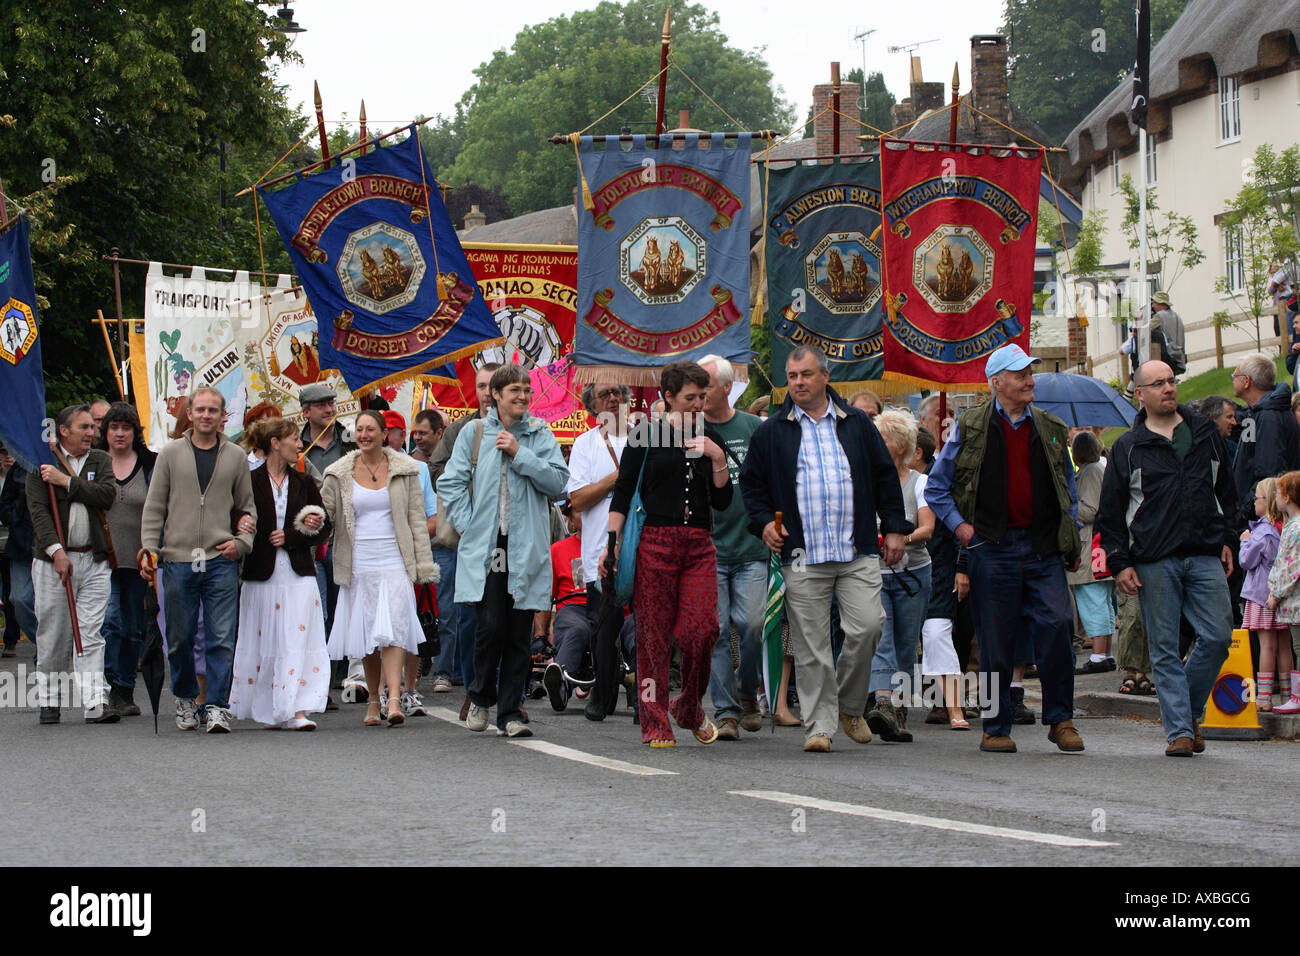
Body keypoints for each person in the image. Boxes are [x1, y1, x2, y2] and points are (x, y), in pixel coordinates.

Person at [740, 346, 907, 753]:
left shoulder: (856, 425)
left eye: (806, 374)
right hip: (801, 556)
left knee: (868, 627)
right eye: (792, 375)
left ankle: (850, 707)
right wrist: (763, 524)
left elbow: (886, 477)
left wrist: (897, 530)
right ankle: (819, 724)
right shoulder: (772, 430)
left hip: (857, 550)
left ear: (825, 376)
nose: (798, 382)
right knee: (812, 646)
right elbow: (752, 486)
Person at [927, 343, 1084, 755]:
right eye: (1020, 375)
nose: (1029, 380)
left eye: (1029, 373)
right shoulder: (970, 426)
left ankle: (1060, 719)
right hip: (991, 548)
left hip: (1042, 547)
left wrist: (1071, 532)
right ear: (997, 383)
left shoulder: (1049, 426)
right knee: (995, 641)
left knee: (1058, 626)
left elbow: (1066, 485)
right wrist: (962, 530)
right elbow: (936, 487)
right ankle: (996, 727)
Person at [1097, 360, 1236, 756]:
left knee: (1217, 637)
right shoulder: (1128, 446)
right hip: (1153, 559)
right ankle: (1179, 732)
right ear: (1140, 394)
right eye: (1157, 384)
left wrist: (1227, 538)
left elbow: (1226, 490)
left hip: (1204, 551)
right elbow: (1111, 513)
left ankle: (1187, 710)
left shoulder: (1205, 432)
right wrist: (1120, 562)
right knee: (1163, 647)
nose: (1168, 389)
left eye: (1171, 381)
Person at [603, 360, 731, 747]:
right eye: (689, 398)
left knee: (703, 631)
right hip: (655, 540)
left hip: (698, 545)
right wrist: (610, 547)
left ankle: (689, 705)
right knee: (653, 637)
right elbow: (623, 493)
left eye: (702, 397)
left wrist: (717, 458)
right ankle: (653, 720)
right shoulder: (645, 435)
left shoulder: (711, 436)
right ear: (668, 397)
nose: (697, 404)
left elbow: (723, 501)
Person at [439, 363, 568, 738]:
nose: (523, 397)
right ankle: (480, 697)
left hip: (525, 545)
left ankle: (510, 711)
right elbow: (451, 483)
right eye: (515, 391)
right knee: (490, 624)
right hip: (489, 547)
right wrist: (469, 526)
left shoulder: (539, 433)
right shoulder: (474, 433)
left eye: (527, 391)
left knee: (518, 630)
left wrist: (519, 453)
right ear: (495, 395)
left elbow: (558, 482)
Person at [139, 385, 256, 734]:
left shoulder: (235, 456)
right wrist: (149, 548)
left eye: (213, 410)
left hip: (221, 558)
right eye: (200, 409)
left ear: (224, 416)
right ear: (190, 414)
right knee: (180, 637)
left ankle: (218, 706)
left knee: (222, 637)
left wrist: (243, 542)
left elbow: (247, 508)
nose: (206, 415)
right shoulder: (170, 454)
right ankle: (186, 698)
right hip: (177, 558)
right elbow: (155, 506)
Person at [322, 410, 435, 727]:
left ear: (385, 434)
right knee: (368, 636)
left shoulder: (406, 470)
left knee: (395, 630)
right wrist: (311, 518)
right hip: (359, 562)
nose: (364, 434)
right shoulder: (340, 472)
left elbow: (416, 519)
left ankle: (395, 699)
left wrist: (423, 564)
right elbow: (325, 512)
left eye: (370, 428)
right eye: (359, 429)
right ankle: (374, 699)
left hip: (394, 559)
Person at [230, 419, 331, 730]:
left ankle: (298, 709)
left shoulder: (304, 482)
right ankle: (271, 709)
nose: (299, 445)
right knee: (266, 639)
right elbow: (232, 513)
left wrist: (295, 534)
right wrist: (240, 523)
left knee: (298, 636)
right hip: (261, 573)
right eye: (292, 439)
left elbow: (324, 526)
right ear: (274, 443)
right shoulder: (248, 481)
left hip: (298, 571)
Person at [27, 406, 117, 724]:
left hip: (94, 559)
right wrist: (56, 552)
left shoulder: (100, 460)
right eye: (84, 427)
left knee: (91, 632)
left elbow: (107, 495)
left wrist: (66, 482)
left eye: (93, 427)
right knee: (54, 633)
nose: (91, 433)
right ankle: (49, 699)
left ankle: (95, 701)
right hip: (54, 562)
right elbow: (39, 512)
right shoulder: (40, 462)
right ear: (64, 430)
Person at [697, 354, 769, 740]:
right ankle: (725, 712)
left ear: (727, 387)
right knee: (718, 629)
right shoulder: (689, 431)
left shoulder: (755, 427)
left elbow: (774, 479)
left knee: (752, 624)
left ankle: (748, 691)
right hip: (708, 550)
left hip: (752, 546)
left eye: (708, 384)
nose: (702, 392)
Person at [552, 380, 633, 711]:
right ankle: (601, 697)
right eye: (605, 394)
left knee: (640, 625)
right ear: (592, 405)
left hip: (639, 546)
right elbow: (580, 499)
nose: (613, 398)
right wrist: (618, 476)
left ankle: (642, 698)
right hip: (599, 549)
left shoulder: (646, 437)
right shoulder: (585, 444)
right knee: (602, 627)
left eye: (618, 392)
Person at [427, 363, 500, 718]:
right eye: (482, 386)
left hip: (506, 537)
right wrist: (469, 479)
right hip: (469, 537)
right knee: (470, 617)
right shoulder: (458, 430)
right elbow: (438, 471)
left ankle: (506, 694)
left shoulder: (521, 429)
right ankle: (475, 690)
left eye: (493, 385)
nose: (487, 392)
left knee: (508, 616)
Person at [865, 409, 934, 743]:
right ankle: (883, 702)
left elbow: (928, 527)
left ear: (901, 445)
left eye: (885, 437)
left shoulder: (920, 482)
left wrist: (900, 538)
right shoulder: (865, 480)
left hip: (914, 574)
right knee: (881, 637)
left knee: (907, 645)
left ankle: (900, 710)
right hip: (874, 574)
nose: (878, 443)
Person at [96, 402, 156, 717]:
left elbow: (160, 508)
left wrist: (153, 551)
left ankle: (124, 689)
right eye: (114, 428)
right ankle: (105, 688)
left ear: (135, 432)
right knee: (109, 622)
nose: (120, 433)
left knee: (134, 627)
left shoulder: (149, 464)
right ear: (104, 432)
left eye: (126, 428)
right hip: (101, 559)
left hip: (139, 559)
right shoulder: (93, 463)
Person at [1232, 352, 1300, 526]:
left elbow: (1269, 470)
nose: (1232, 378)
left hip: (1263, 516)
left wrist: (1245, 510)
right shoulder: (1255, 413)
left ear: (1247, 381)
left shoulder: (1269, 417)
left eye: (1235, 375)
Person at [1069, 430, 1116, 675]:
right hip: (1101, 543)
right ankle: (1105, 652)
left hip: (1089, 544)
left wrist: (1066, 509)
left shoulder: (1088, 473)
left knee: (1092, 599)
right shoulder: (1101, 468)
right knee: (1103, 600)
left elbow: (1089, 509)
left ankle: (1098, 655)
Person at [1240, 476, 1289, 712]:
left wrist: (1244, 542)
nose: (1253, 502)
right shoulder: (1283, 529)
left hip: (1261, 596)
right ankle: (1290, 695)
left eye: (1257, 498)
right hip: (1279, 594)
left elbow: (1247, 562)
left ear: (1267, 501)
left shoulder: (1261, 532)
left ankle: (1265, 698)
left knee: (1266, 646)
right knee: (1284, 646)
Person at [1267, 473, 1300, 714]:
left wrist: (1276, 593)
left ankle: (1297, 697)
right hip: (1292, 601)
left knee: (1299, 647)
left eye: (1278, 493)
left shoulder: (1296, 528)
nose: (1275, 498)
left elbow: (1293, 565)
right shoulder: (1291, 525)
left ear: (1287, 497)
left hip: (1295, 601)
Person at [0, 458, 37, 658]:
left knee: (50, 604)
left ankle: (53, 648)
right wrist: (17, 518)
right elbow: (4, 504)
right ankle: (45, 643)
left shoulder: (57, 463)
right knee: (18, 598)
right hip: (21, 545)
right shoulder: (19, 468)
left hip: (53, 547)